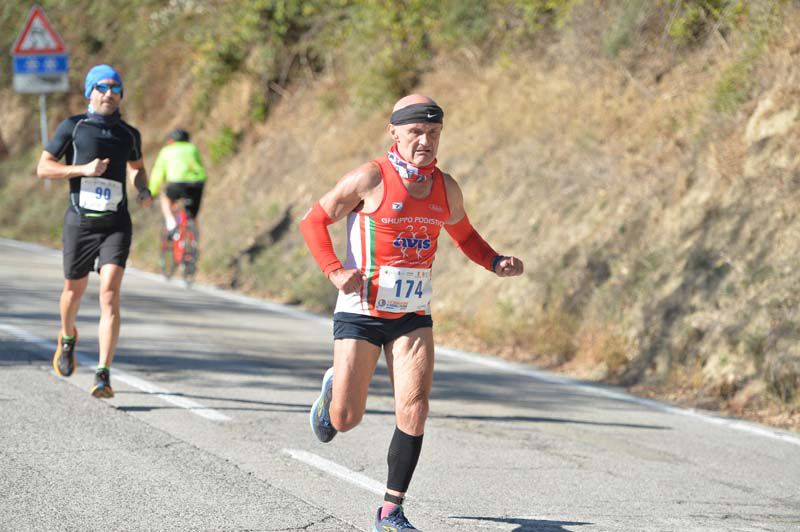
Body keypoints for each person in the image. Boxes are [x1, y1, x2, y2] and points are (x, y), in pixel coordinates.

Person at [299, 94, 524, 531]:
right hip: (362, 311)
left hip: (412, 314)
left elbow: (464, 235)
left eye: (434, 133)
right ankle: (333, 391)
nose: (425, 141)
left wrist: (495, 261)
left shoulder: (445, 187)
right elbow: (313, 220)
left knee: (415, 408)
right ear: (394, 133)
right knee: (346, 419)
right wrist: (334, 270)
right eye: (416, 132)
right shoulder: (370, 178)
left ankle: (390, 511)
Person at [36, 64, 151, 398]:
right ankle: (67, 337)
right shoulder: (74, 127)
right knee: (73, 290)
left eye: (115, 88)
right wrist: (82, 170)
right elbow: (44, 168)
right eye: (102, 87)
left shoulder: (129, 134)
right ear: (90, 92)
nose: (109, 93)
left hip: (116, 224)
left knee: (110, 294)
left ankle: (103, 374)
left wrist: (142, 188)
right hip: (80, 223)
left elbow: (137, 167)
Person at [148, 128, 207, 239]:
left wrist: (152, 192)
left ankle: (171, 223)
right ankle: (194, 241)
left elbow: (158, 173)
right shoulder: (192, 148)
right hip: (197, 183)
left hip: (177, 183)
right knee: (192, 215)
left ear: (171, 140)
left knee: (165, 197)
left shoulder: (166, 151)